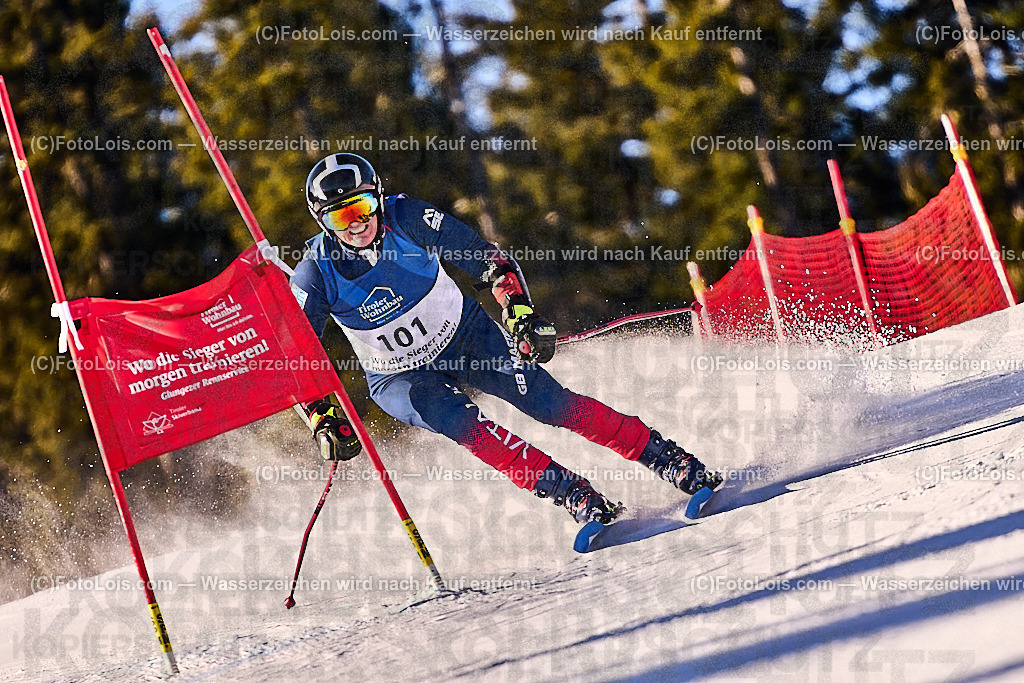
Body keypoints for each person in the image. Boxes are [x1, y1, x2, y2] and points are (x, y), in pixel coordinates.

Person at [289, 153, 720, 525]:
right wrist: (320, 416)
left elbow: (488, 260)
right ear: (323, 222)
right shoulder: (316, 270)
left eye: (362, 206)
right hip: (398, 377)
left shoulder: (408, 217)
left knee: (550, 404)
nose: (357, 223)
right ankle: (573, 494)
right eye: (340, 216)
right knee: (467, 427)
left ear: (378, 198)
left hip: (464, 336)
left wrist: (519, 313)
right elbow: (297, 353)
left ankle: (667, 458)